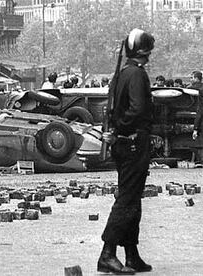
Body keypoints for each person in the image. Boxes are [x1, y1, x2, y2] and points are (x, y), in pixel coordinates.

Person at [99, 28, 155, 274]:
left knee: (132, 200)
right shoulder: (137, 75)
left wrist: (117, 130)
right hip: (133, 143)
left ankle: (132, 254)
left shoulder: (123, 74)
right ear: (144, 51)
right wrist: (124, 127)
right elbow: (137, 110)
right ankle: (107, 254)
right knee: (127, 202)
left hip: (123, 144)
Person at [191, 71, 203, 141]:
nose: (191, 80)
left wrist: (195, 129)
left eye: (192, 78)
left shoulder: (192, 87)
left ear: (196, 78)